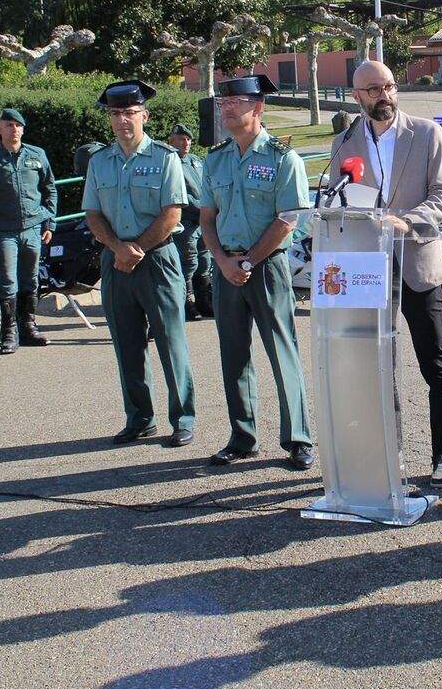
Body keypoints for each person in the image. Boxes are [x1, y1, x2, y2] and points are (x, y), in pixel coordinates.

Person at [327, 60, 442, 487]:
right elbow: (336, 198)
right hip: (368, 269)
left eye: (388, 86)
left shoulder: (426, 133)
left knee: (433, 363)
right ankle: (385, 453)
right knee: (375, 366)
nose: (383, 96)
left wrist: (409, 220)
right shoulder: (345, 142)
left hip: (417, 262)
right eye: (372, 90)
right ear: (356, 97)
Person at [198, 75, 314, 471]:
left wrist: (246, 262)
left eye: (237, 102)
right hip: (226, 268)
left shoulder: (283, 158)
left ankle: (298, 438)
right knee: (233, 354)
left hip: (267, 267)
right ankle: (242, 436)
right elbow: (206, 217)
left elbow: (288, 219)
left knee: (282, 351)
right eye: (223, 102)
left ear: (258, 108)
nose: (227, 108)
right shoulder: (214, 159)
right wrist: (222, 261)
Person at [82, 80, 197, 448]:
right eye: (115, 114)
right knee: (127, 345)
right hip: (114, 262)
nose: (122, 120)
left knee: (171, 342)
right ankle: (140, 418)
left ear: (144, 115)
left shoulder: (165, 158)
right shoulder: (99, 161)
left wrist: (137, 249)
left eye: (130, 113)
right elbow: (93, 214)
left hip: (158, 260)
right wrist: (117, 248)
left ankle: (183, 419)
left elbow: (172, 211)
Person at [0, 108, 57, 355]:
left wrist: (49, 222)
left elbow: (50, 189)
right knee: (8, 282)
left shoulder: (37, 155)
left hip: (33, 228)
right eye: (8, 125)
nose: (14, 129)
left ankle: (28, 326)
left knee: (31, 279)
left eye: (18, 126)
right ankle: (9, 331)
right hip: (3, 230)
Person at [166, 123, 210, 321]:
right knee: (188, 263)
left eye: (188, 139)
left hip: (204, 222)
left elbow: (206, 186)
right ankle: (187, 303)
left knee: (204, 260)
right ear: (171, 141)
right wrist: (203, 208)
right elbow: (180, 195)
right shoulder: (170, 162)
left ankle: (204, 301)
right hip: (187, 222)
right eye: (181, 139)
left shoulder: (195, 161)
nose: (186, 143)